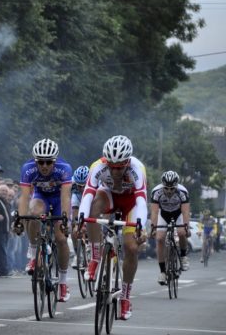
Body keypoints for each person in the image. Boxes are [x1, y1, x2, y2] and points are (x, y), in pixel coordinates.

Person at [79, 135, 148, 321]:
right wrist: (81, 220)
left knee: (131, 248)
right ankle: (95, 258)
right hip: (108, 195)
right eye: (112, 167)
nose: (115, 171)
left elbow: (142, 201)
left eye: (120, 167)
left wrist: (141, 225)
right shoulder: (98, 166)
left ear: (127, 162)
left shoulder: (137, 168)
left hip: (131, 203)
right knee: (93, 207)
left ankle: (125, 297)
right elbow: (87, 194)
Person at [13, 138, 73, 302]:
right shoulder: (28, 168)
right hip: (41, 197)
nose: (44, 166)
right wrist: (19, 219)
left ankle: (62, 282)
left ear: (55, 160)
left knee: (61, 239)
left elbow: (66, 197)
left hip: (58, 199)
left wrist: (65, 221)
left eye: (48, 162)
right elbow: (24, 198)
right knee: (33, 213)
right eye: (41, 162)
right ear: (35, 160)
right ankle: (33, 254)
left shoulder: (64, 168)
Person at [150, 170, 190, 285]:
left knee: (182, 233)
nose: (169, 191)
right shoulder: (156, 192)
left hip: (178, 214)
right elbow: (154, 212)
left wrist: (186, 226)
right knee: (159, 239)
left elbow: (186, 211)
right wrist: (153, 227)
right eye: (166, 188)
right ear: (162, 185)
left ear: (176, 186)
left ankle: (183, 256)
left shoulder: (182, 192)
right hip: (164, 214)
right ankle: (162, 272)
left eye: (172, 188)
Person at [70, 165, 89, 268]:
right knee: (74, 226)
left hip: (92, 199)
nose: (81, 188)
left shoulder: (96, 182)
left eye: (84, 185)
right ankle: (77, 254)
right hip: (77, 198)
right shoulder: (71, 183)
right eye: (79, 185)